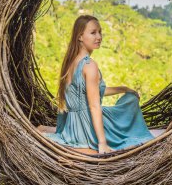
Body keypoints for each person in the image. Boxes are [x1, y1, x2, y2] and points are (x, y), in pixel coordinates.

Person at [38, 15, 154, 154]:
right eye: (93, 33)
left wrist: (123, 89)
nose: (98, 37)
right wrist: (102, 143)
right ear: (80, 36)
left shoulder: (71, 61)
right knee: (130, 104)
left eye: (100, 32)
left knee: (128, 97)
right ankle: (107, 136)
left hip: (73, 126)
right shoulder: (89, 65)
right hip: (87, 126)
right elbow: (94, 106)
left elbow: (92, 92)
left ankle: (44, 129)